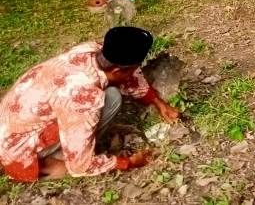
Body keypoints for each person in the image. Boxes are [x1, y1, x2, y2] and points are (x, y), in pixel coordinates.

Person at [0, 26, 179, 182]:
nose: (136, 71)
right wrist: (129, 163)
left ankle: (64, 150)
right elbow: (80, 167)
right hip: (17, 150)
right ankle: (53, 158)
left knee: (111, 94)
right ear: (117, 70)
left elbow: (129, 74)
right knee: (112, 99)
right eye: (135, 67)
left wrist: (158, 103)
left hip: (12, 125)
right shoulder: (83, 98)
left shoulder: (90, 50)